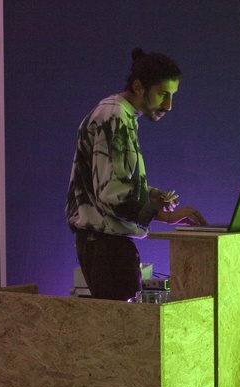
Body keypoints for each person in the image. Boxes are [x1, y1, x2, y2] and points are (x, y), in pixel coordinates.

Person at [65, 48, 207, 301]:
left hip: (106, 246)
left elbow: (108, 181)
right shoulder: (115, 117)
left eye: (172, 96)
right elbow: (113, 195)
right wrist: (166, 216)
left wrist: (147, 194)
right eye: (162, 94)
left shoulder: (119, 114)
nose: (169, 105)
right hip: (106, 248)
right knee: (122, 325)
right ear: (139, 87)